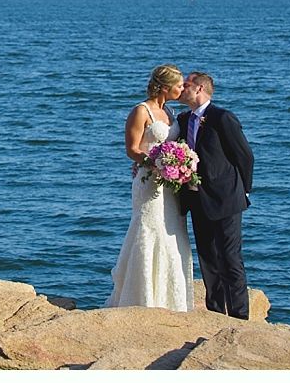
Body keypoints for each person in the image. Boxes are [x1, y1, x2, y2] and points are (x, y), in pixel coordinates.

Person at [104, 64, 194, 311]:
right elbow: (132, 149)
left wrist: (177, 162)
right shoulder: (140, 111)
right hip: (148, 182)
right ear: (165, 87)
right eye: (179, 85)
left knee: (171, 232)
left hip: (170, 184)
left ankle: (169, 298)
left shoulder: (171, 111)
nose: (182, 88)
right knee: (149, 229)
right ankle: (141, 297)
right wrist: (156, 162)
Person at [177, 72, 255, 319]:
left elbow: (244, 156)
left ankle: (239, 315)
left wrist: (243, 190)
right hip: (196, 198)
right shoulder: (183, 118)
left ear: (199, 88)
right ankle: (215, 313)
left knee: (230, 257)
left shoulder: (222, 118)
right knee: (208, 258)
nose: (181, 88)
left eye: (186, 85)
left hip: (226, 198)